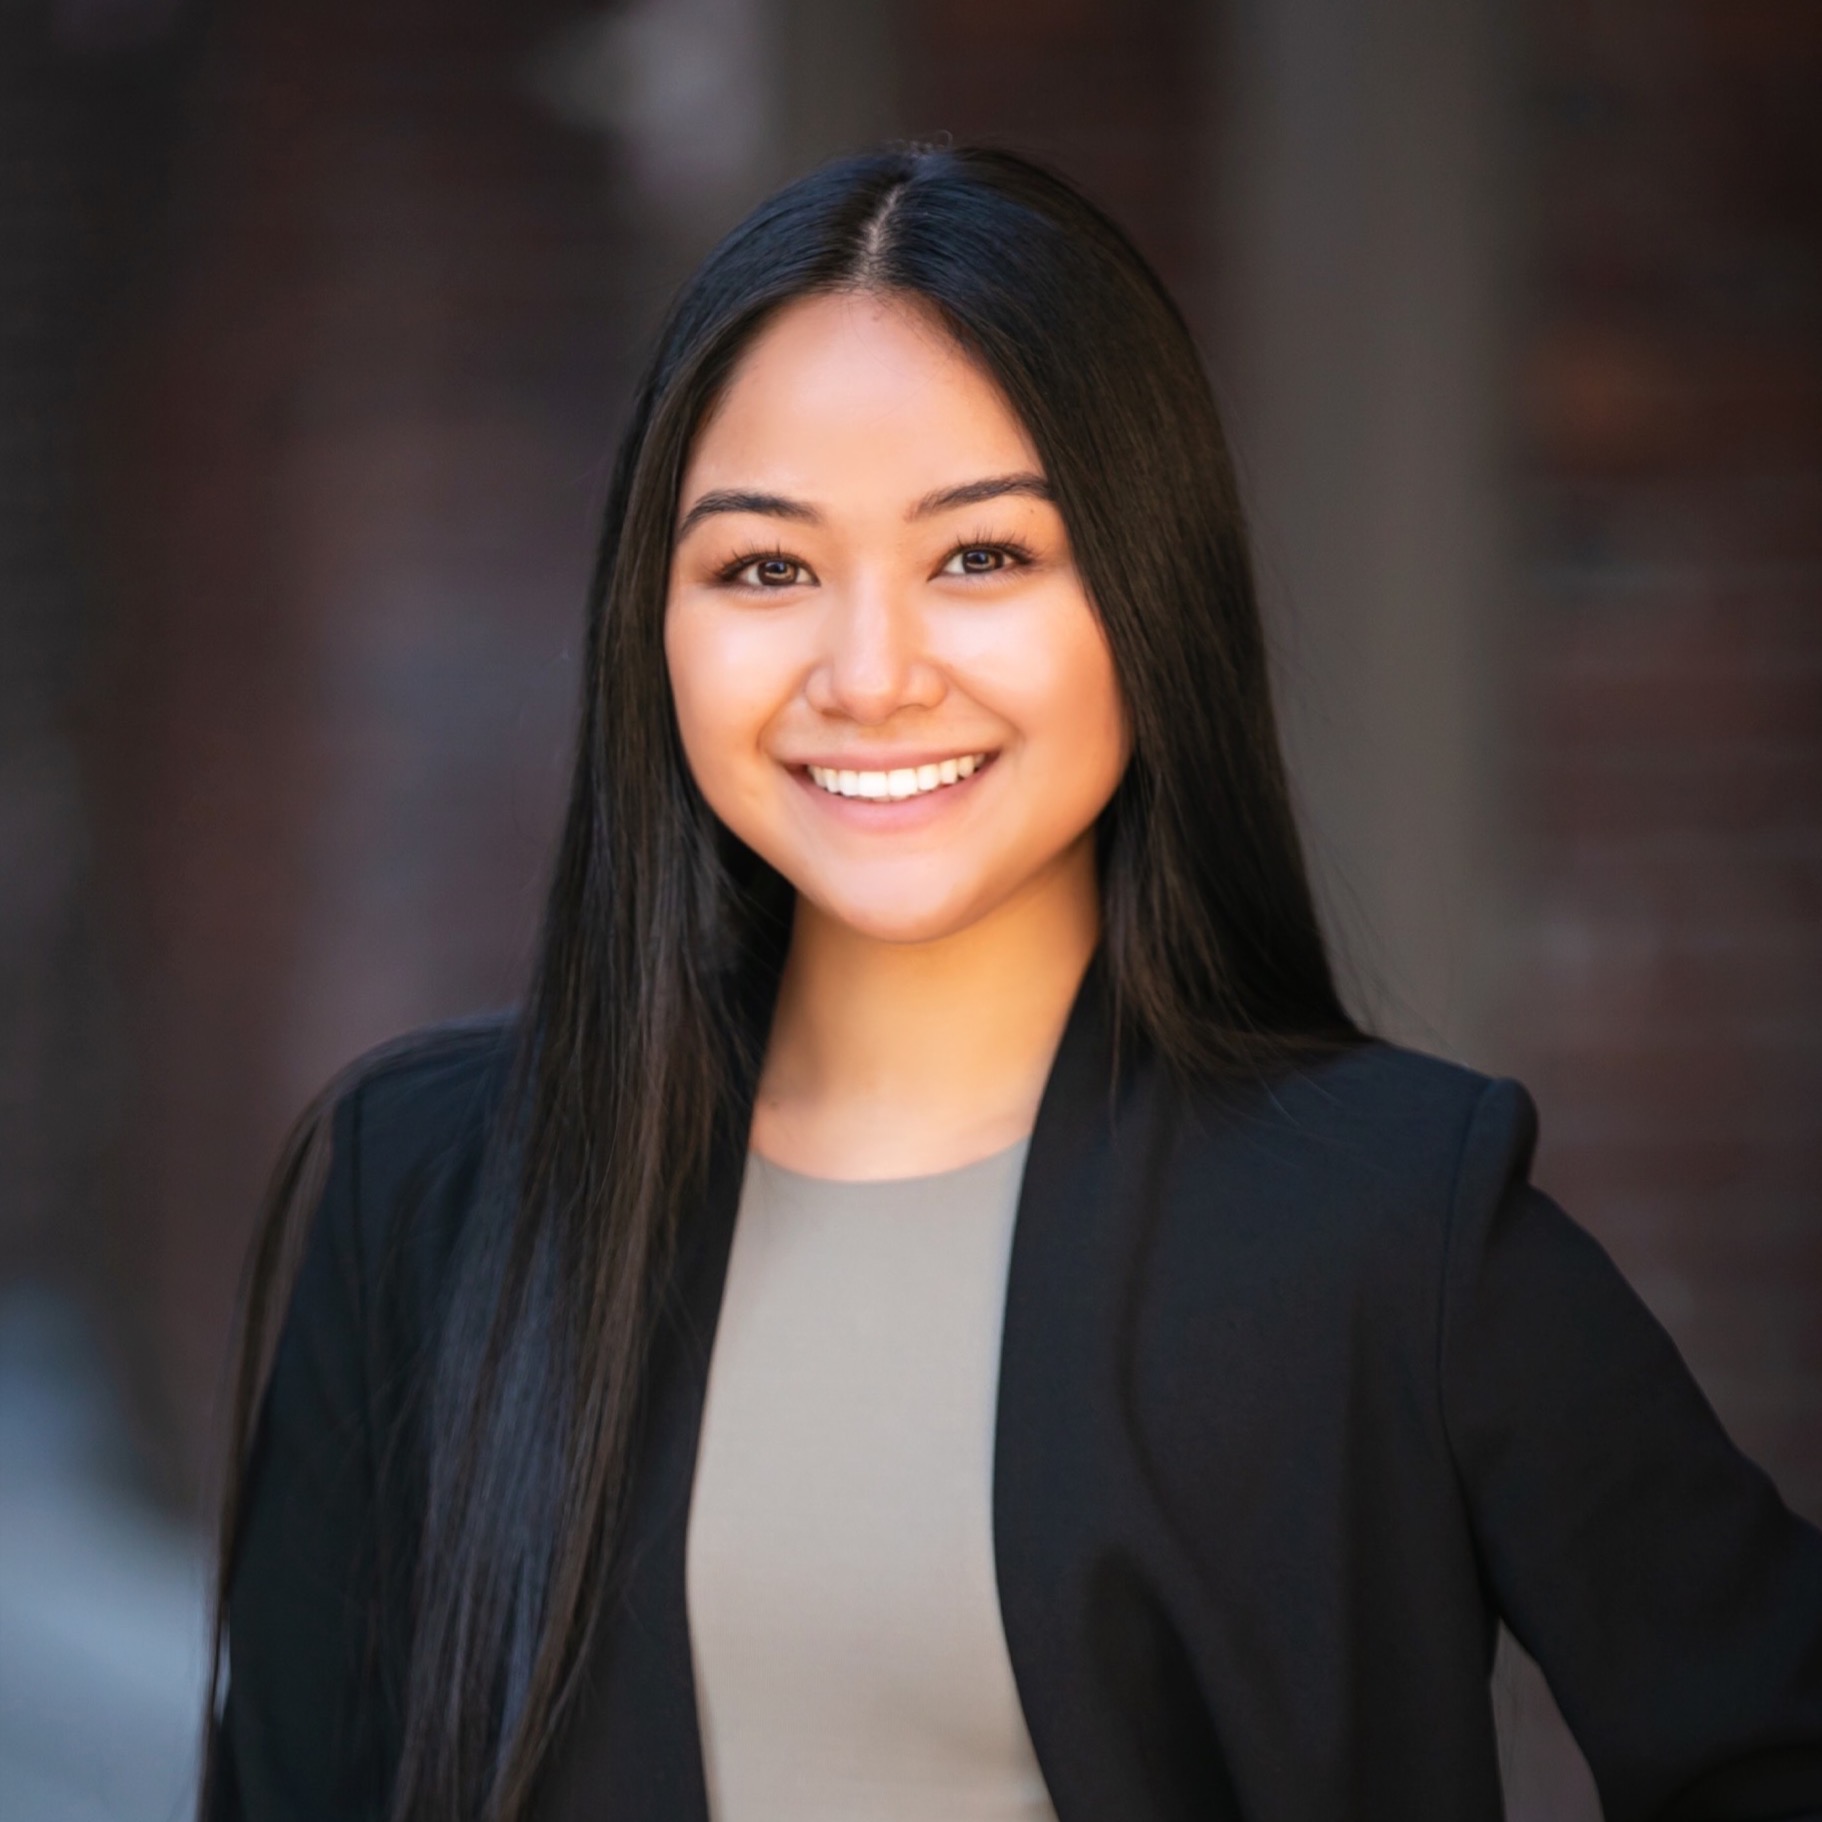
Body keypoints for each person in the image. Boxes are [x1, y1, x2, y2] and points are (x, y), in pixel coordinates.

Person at [201, 144, 1822, 1822]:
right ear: (650, 626)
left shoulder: (1395, 1225)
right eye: (765, 567)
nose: (868, 674)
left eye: (980, 557)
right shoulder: (432, 1185)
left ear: (1143, 595)